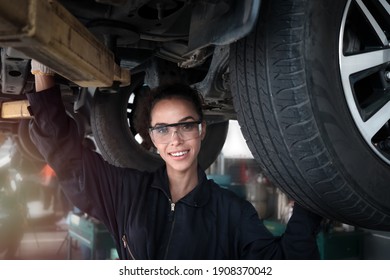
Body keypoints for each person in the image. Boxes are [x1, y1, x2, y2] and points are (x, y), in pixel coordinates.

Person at [26, 60, 323, 259]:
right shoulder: (126, 192)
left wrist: (314, 194)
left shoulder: (232, 212)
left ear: (202, 130)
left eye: (186, 125)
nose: (176, 139)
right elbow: (66, 158)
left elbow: (286, 262)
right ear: (151, 138)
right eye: (163, 129)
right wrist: (42, 72)